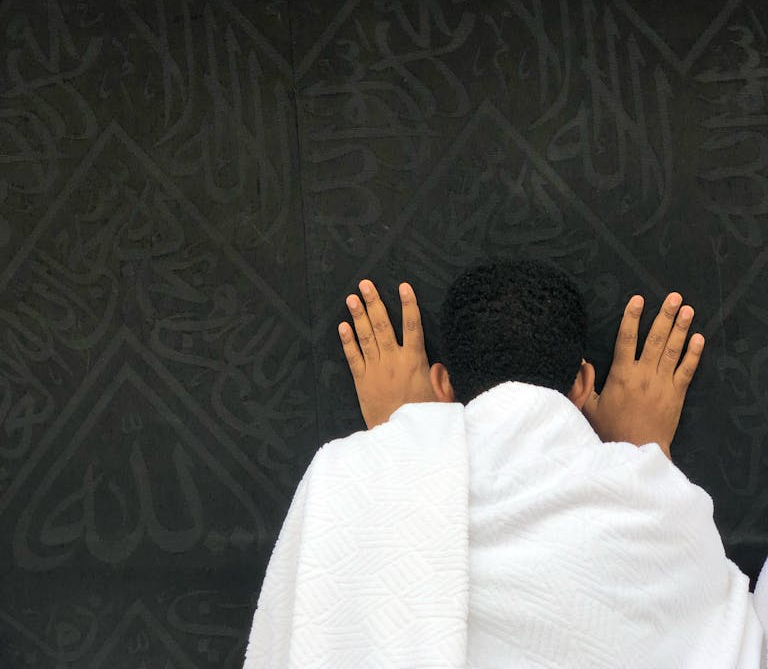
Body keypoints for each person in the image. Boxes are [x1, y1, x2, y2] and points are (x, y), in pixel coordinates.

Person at [243, 258, 768, 668]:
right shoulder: (656, 507)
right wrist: (643, 459)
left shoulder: (350, 475)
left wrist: (398, 449)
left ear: (442, 385)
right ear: (584, 385)